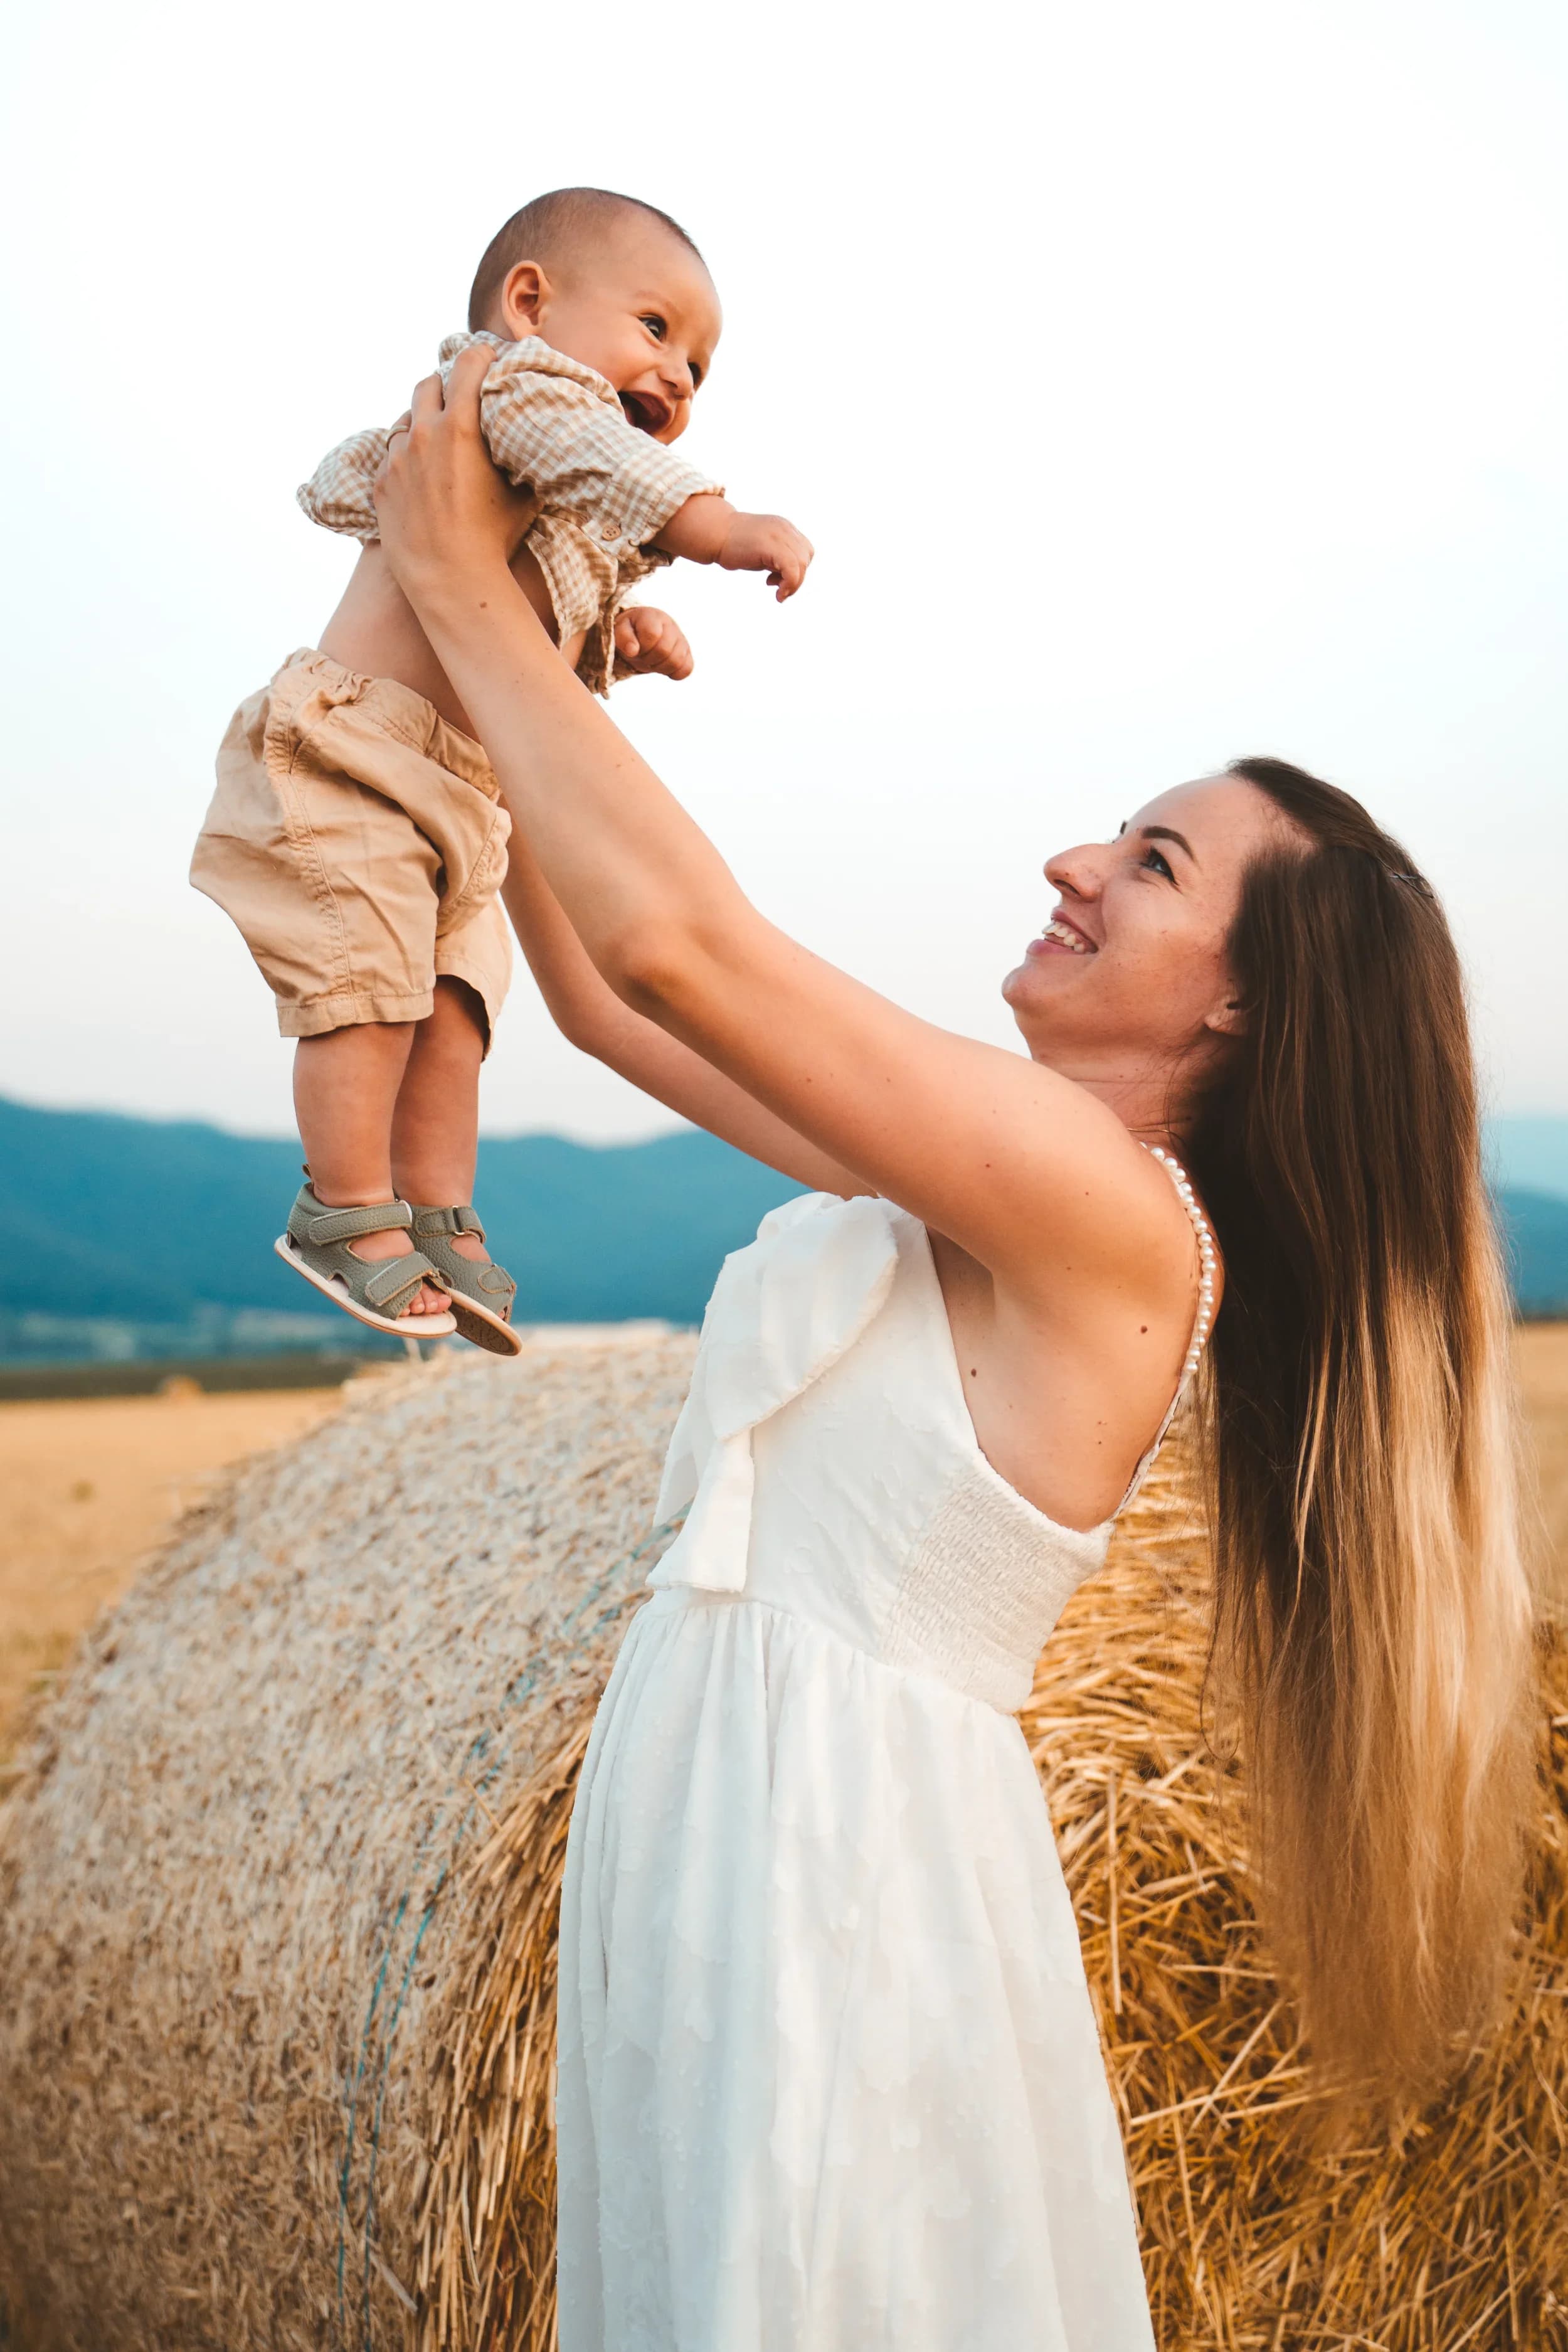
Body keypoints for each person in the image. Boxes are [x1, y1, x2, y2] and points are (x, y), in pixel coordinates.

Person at [371, 348, 1535, 2351]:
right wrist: (527, 668)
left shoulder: (1108, 1220)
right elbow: (615, 1002)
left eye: (1152, 863)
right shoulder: (996, 1189)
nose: (1074, 862)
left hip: (843, 1871)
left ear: (1249, 1007)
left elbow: (687, 950)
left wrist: (457, 578)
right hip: (728, 1836)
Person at [189, 188, 810, 1353]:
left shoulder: (563, 508)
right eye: (658, 329)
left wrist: (620, 638)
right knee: (369, 991)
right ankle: (341, 1204)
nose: (679, 376)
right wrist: (723, 528)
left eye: (701, 368)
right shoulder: (515, 388)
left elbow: (533, 623)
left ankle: (433, 1206)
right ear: (531, 303)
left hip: (463, 792)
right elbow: (596, 463)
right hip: (357, 757)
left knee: (458, 1010)